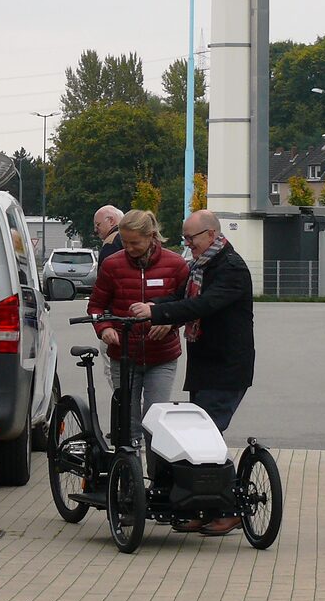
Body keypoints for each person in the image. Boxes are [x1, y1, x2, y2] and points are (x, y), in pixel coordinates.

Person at [130, 209, 254, 535]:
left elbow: (204, 306)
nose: (188, 245)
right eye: (184, 239)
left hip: (227, 368)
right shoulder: (201, 267)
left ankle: (229, 509)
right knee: (198, 440)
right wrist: (154, 307)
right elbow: (183, 296)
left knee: (208, 438)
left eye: (191, 239)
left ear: (211, 235)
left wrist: (159, 313)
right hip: (205, 367)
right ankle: (202, 505)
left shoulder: (231, 268)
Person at [89, 209, 187, 442]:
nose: (130, 249)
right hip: (123, 355)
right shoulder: (113, 265)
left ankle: (156, 475)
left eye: (135, 243)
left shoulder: (176, 265)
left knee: (156, 421)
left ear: (152, 236)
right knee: (127, 421)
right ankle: (127, 473)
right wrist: (105, 329)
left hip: (162, 356)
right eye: (125, 242)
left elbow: (190, 305)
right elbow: (96, 306)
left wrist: (172, 321)